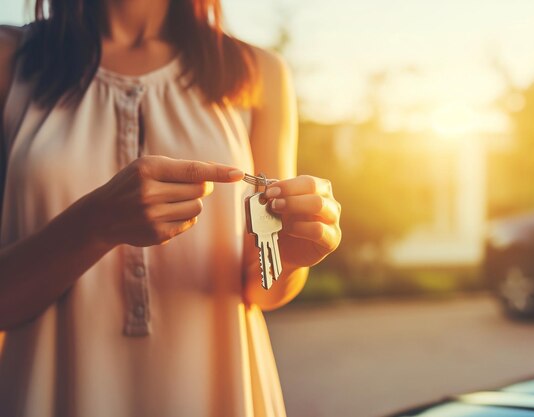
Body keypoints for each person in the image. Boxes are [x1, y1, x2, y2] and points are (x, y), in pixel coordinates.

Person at [0, 0, 342, 416]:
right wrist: (94, 225)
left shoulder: (258, 72)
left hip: (218, 392)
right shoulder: (8, 59)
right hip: (53, 396)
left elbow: (261, 290)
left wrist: (292, 256)